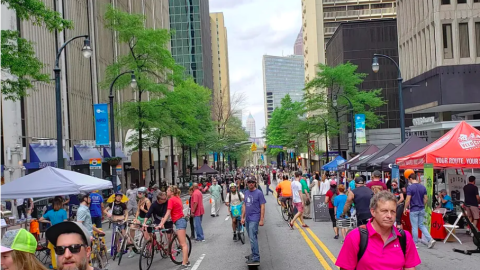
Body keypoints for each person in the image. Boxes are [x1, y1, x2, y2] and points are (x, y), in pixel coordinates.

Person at [335, 191, 421, 270]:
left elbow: (410, 267)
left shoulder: (404, 237)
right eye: (384, 211)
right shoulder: (356, 236)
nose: (389, 216)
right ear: (373, 212)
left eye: (393, 212)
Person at [156, 186, 190, 268]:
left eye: (167, 190)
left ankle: (184, 263)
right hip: (180, 220)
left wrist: (161, 224)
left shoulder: (171, 200)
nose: (166, 192)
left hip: (179, 221)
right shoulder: (177, 197)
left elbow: (167, 213)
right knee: (182, 243)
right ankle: (186, 260)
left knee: (183, 244)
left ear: (171, 192)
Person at [403, 171, 436, 248]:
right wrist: (422, 205)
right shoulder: (423, 187)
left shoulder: (410, 188)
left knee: (414, 227)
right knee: (421, 225)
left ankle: (415, 243)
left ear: (411, 179)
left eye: (409, 180)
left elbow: (408, 200)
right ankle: (430, 239)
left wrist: (405, 208)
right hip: (421, 208)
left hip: (414, 209)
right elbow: (426, 199)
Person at [241, 177, 266, 266]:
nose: (251, 184)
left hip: (255, 218)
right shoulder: (246, 192)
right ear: (247, 183)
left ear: (255, 183)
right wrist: (242, 217)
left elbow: (262, 206)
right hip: (247, 218)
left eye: (252, 182)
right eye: (249, 182)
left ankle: (256, 257)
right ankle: (253, 253)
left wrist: (261, 219)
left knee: (252, 238)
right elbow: (244, 205)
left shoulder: (259, 193)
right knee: (251, 237)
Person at [130, 186, 151, 258]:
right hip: (140, 218)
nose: (138, 194)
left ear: (144, 194)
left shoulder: (147, 201)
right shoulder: (139, 201)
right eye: (138, 193)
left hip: (147, 218)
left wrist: (143, 209)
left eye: (140, 193)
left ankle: (148, 248)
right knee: (132, 227)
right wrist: (135, 218)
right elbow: (138, 211)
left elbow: (149, 212)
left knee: (146, 236)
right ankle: (132, 243)